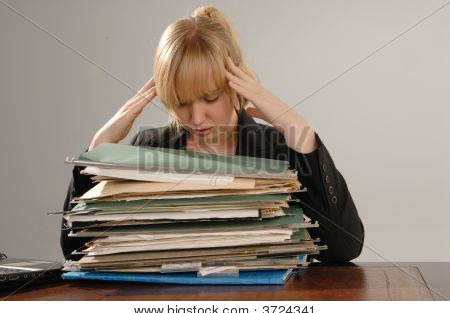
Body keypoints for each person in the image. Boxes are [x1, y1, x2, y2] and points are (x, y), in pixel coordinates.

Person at [61, 6, 364, 263]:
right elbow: (76, 251)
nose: (196, 118)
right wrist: (98, 148)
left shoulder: (280, 149)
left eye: (209, 98)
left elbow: (344, 247)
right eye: (181, 101)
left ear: (235, 83)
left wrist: (302, 133)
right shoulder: (149, 147)